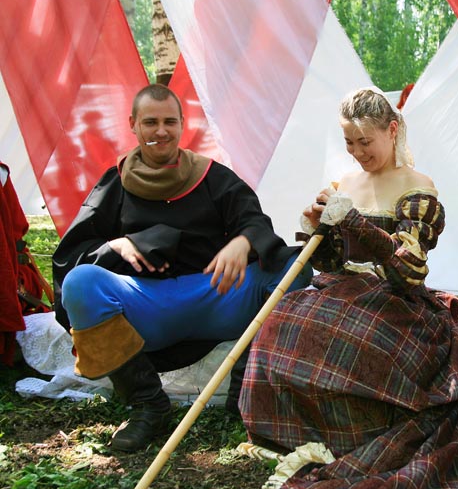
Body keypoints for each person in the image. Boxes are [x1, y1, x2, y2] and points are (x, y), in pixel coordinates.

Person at [238, 88, 458, 489]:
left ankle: (355, 435)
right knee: (283, 323)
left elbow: (408, 272)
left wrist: (355, 221)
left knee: (358, 341)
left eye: (365, 142)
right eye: (349, 143)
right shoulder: (346, 183)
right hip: (342, 290)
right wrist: (316, 229)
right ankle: (296, 433)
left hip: (398, 301)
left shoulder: (418, 187)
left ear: (391, 131)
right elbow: (331, 263)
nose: (357, 153)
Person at [52, 84, 311, 453]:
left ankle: (247, 387)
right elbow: (71, 253)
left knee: (292, 266)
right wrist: (114, 246)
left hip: (216, 294)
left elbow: (254, 221)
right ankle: (147, 406)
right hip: (146, 306)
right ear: (133, 124)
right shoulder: (116, 184)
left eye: (169, 122)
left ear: (181, 123)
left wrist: (243, 242)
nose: (161, 131)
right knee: (81, 282)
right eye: (151, 122)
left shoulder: (212, 176)